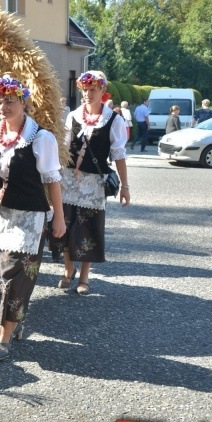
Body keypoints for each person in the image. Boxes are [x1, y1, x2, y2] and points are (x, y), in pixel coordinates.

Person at [0, 76, 65, 362]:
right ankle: (14, 320)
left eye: (9, 101)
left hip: (30, 217)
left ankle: (4, 336)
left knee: (15, 273)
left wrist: (58, 217)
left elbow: (53, 182)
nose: (3, 106)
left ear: (24, 102)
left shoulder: (41, 138)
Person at [53, 70, 129, 297]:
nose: (87, 94)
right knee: (63, 225)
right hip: (68, 179)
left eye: (93, 89)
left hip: (94, 183)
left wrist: (125, 186)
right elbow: (63, 149)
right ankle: (69, 268)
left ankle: (84, 277)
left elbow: (119, 155)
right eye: (85, 89)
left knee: (88, 228)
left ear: (102, 91)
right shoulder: (73, 116)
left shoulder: (113, 119)